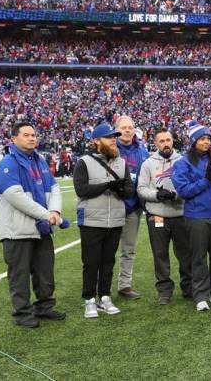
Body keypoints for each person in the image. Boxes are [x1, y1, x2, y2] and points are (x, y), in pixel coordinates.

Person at [0, 122, 65, 328]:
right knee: (20, 275)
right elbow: (16, 197)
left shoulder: (40, 161)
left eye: (34, 135)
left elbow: (55, 188)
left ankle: (44, 306)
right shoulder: (7, 164)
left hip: (41, 228)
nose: (32, 138)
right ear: (14, 139)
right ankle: (22, 313)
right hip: (17, 231)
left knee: (45, 271)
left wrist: (55, 212)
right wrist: (47, 214)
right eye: (26, 135)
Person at [73, 123, 135, 319]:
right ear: (96, 141)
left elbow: (129, 191)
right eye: (109, 137)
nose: (113, 140)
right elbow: (81, 190)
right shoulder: (84, 161)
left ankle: (105, 296)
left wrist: (121, 189)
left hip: (115, 219)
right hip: (92, 219)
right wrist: (109, 184)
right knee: (91, 262)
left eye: (114, 137)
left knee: (108, 261)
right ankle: (89, 299)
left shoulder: (121, 162)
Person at [171, 121, 211, 312]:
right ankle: (200, 295)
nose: (207, 142)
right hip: (196, 215)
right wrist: (206, 179)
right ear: (193, 141)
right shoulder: (182, 163)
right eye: (202, 139)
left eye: (208, 139)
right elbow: (184, 191)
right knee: (198, 257)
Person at [137, 128, 192, 306]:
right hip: (158, 215)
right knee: (160, 254)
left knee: (185, 254)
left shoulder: (183, 161)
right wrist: (157, 195)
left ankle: (188, 287)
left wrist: (176, 194)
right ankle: (164, 290)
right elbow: (141, 188)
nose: (166, 144)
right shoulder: (148, 164)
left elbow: (190, 185)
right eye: (161, 141)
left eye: (168, 140)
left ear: (172, 141)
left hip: (180, 214)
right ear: (155, 143)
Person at [114, 115, 150, 300]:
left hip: (133, 206)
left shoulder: (142, 151)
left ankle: (124, 285)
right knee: (106, 250)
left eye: (130, 127)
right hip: (111, 205)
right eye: (124, 127)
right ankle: (100, 288)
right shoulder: (110, 148)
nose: (128, 130)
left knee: (128, 248)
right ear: (117, 129)